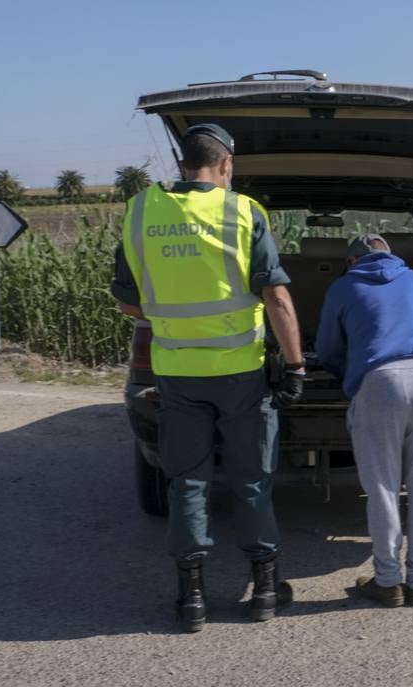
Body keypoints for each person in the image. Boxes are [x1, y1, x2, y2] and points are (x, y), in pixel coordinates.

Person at [111, 123, 307, 631]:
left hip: (176, 372)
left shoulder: (140, 212)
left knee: (188, 484)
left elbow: (127, 299)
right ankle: (264, 592)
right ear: (226, 165)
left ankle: (191, 601)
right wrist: (295, 364)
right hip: (240, 374)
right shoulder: (242, 211)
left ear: (182, 165)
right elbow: (278, 297)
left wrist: (174, 319)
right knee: (251, 483)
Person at [315, 234, 413, 608]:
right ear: (393, 256)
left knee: (383, 487)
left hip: (380, 382)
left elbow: (327, 348)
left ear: (351, 261)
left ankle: (388, 580)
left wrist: (346, 375)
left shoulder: (344, 287)